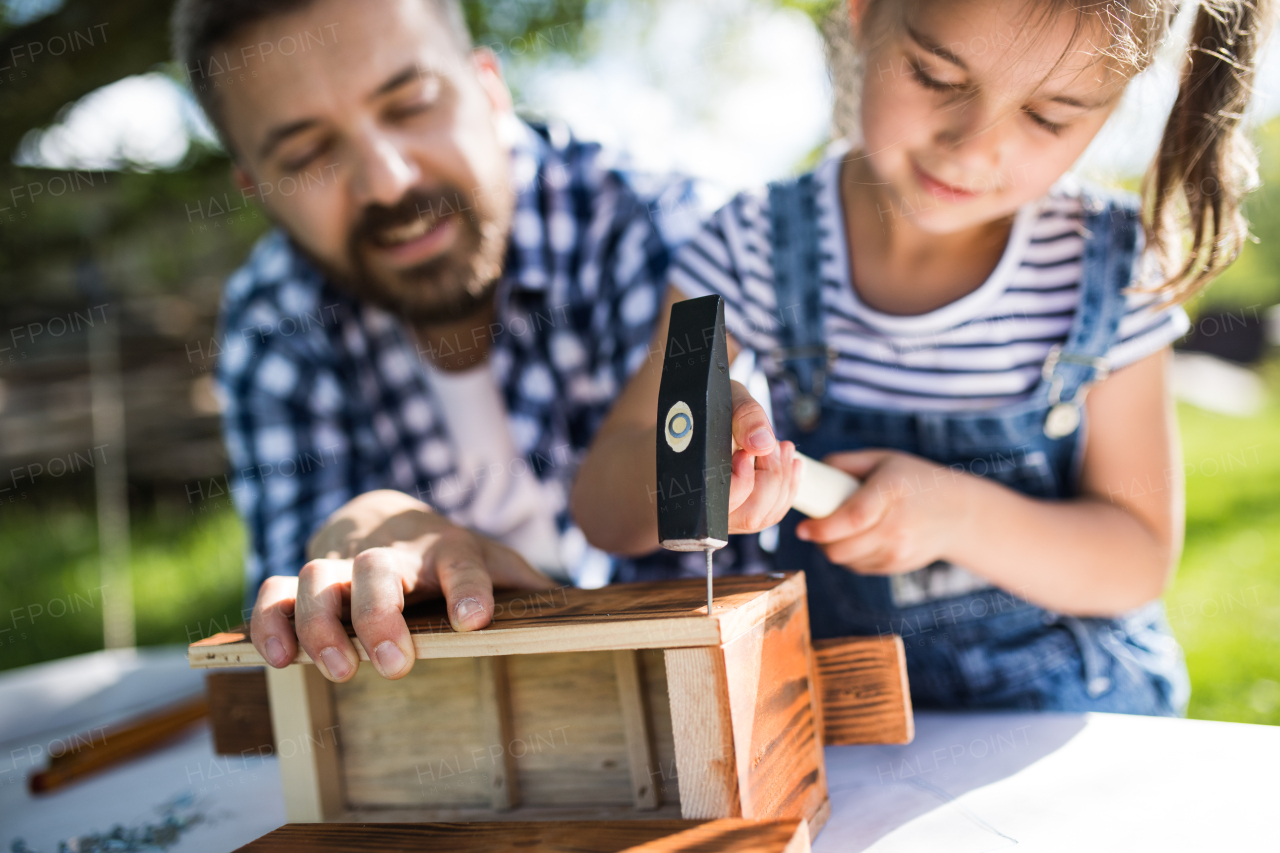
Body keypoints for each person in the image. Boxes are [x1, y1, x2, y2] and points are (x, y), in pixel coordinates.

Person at [572, 0, 1271, 713]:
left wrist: (956, 517)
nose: (973, 146)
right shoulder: (748, 245)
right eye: (936, 76)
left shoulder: (1112, 265)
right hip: (857, 730)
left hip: (1074, 723)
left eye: (1049, 116)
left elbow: (1137, 557)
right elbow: (601, 502)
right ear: (862, 13)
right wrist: (694, 466)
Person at [172, 0, 751, 683]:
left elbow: (740, 595)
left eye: (411, 102)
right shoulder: (275, 322)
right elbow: (297, 668)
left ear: (488, 87)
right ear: (256, 189)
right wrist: (349, 545)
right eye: (305, 153)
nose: (387, 178)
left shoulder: (674, 241)